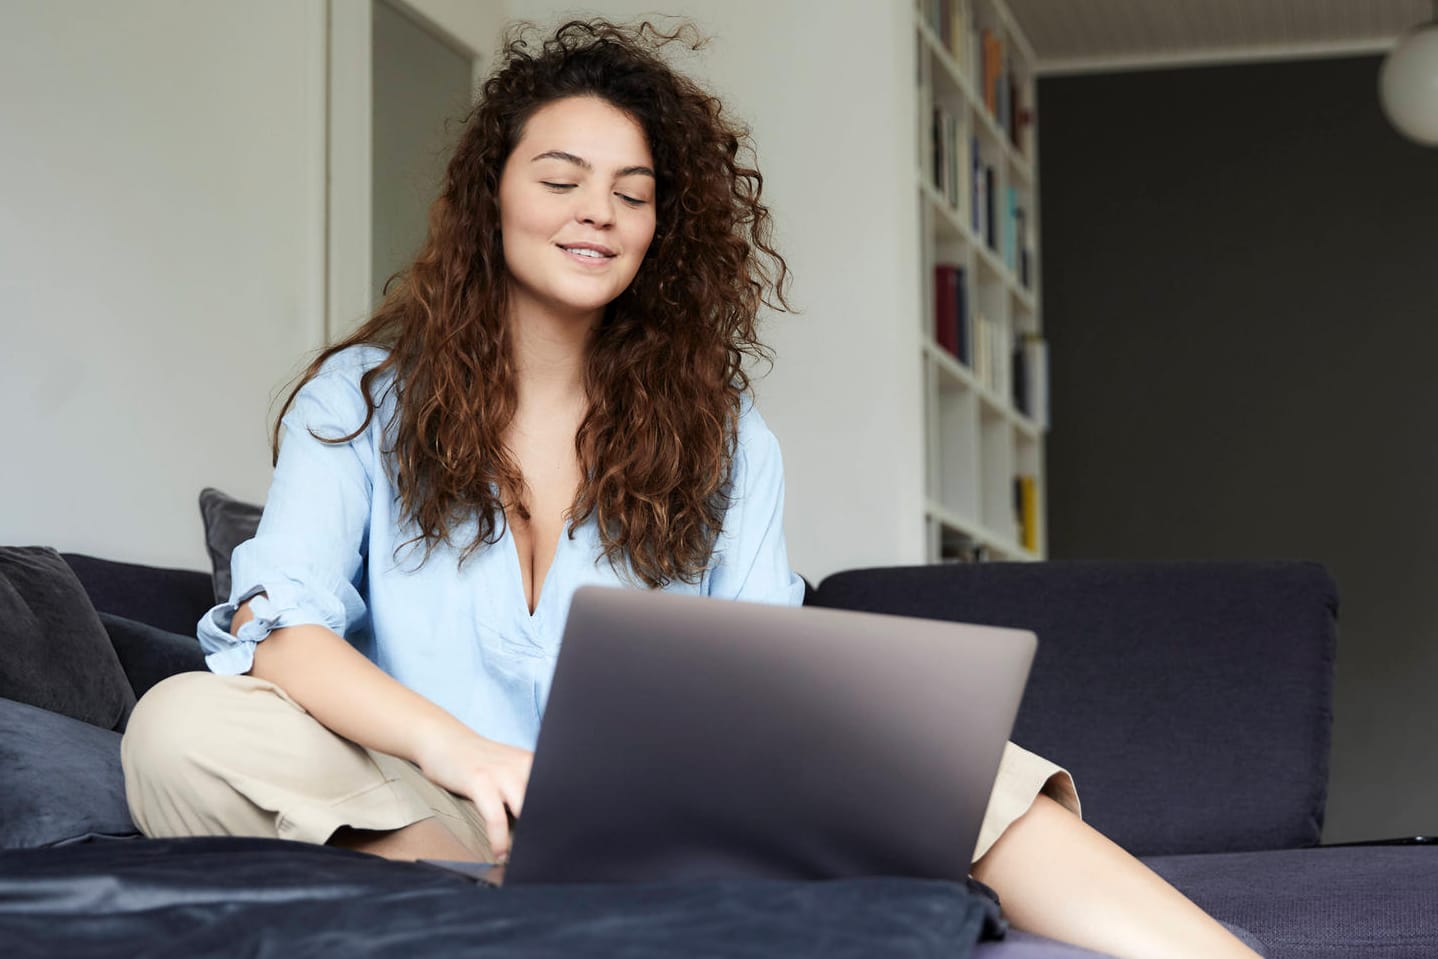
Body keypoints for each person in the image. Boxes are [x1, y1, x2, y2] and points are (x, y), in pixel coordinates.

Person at [121, 19, 1258, 959]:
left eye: (632, 191)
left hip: (662, 827)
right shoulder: (358, 398)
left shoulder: (723, 434)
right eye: (560, 177)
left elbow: (765, 679)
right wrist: (463, 755)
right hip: (438, 812)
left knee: (959, 763)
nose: (596, 212)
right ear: (491, 199)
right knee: (181, 724)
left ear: (661, 226)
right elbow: (278, 630)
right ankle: (532, 912)